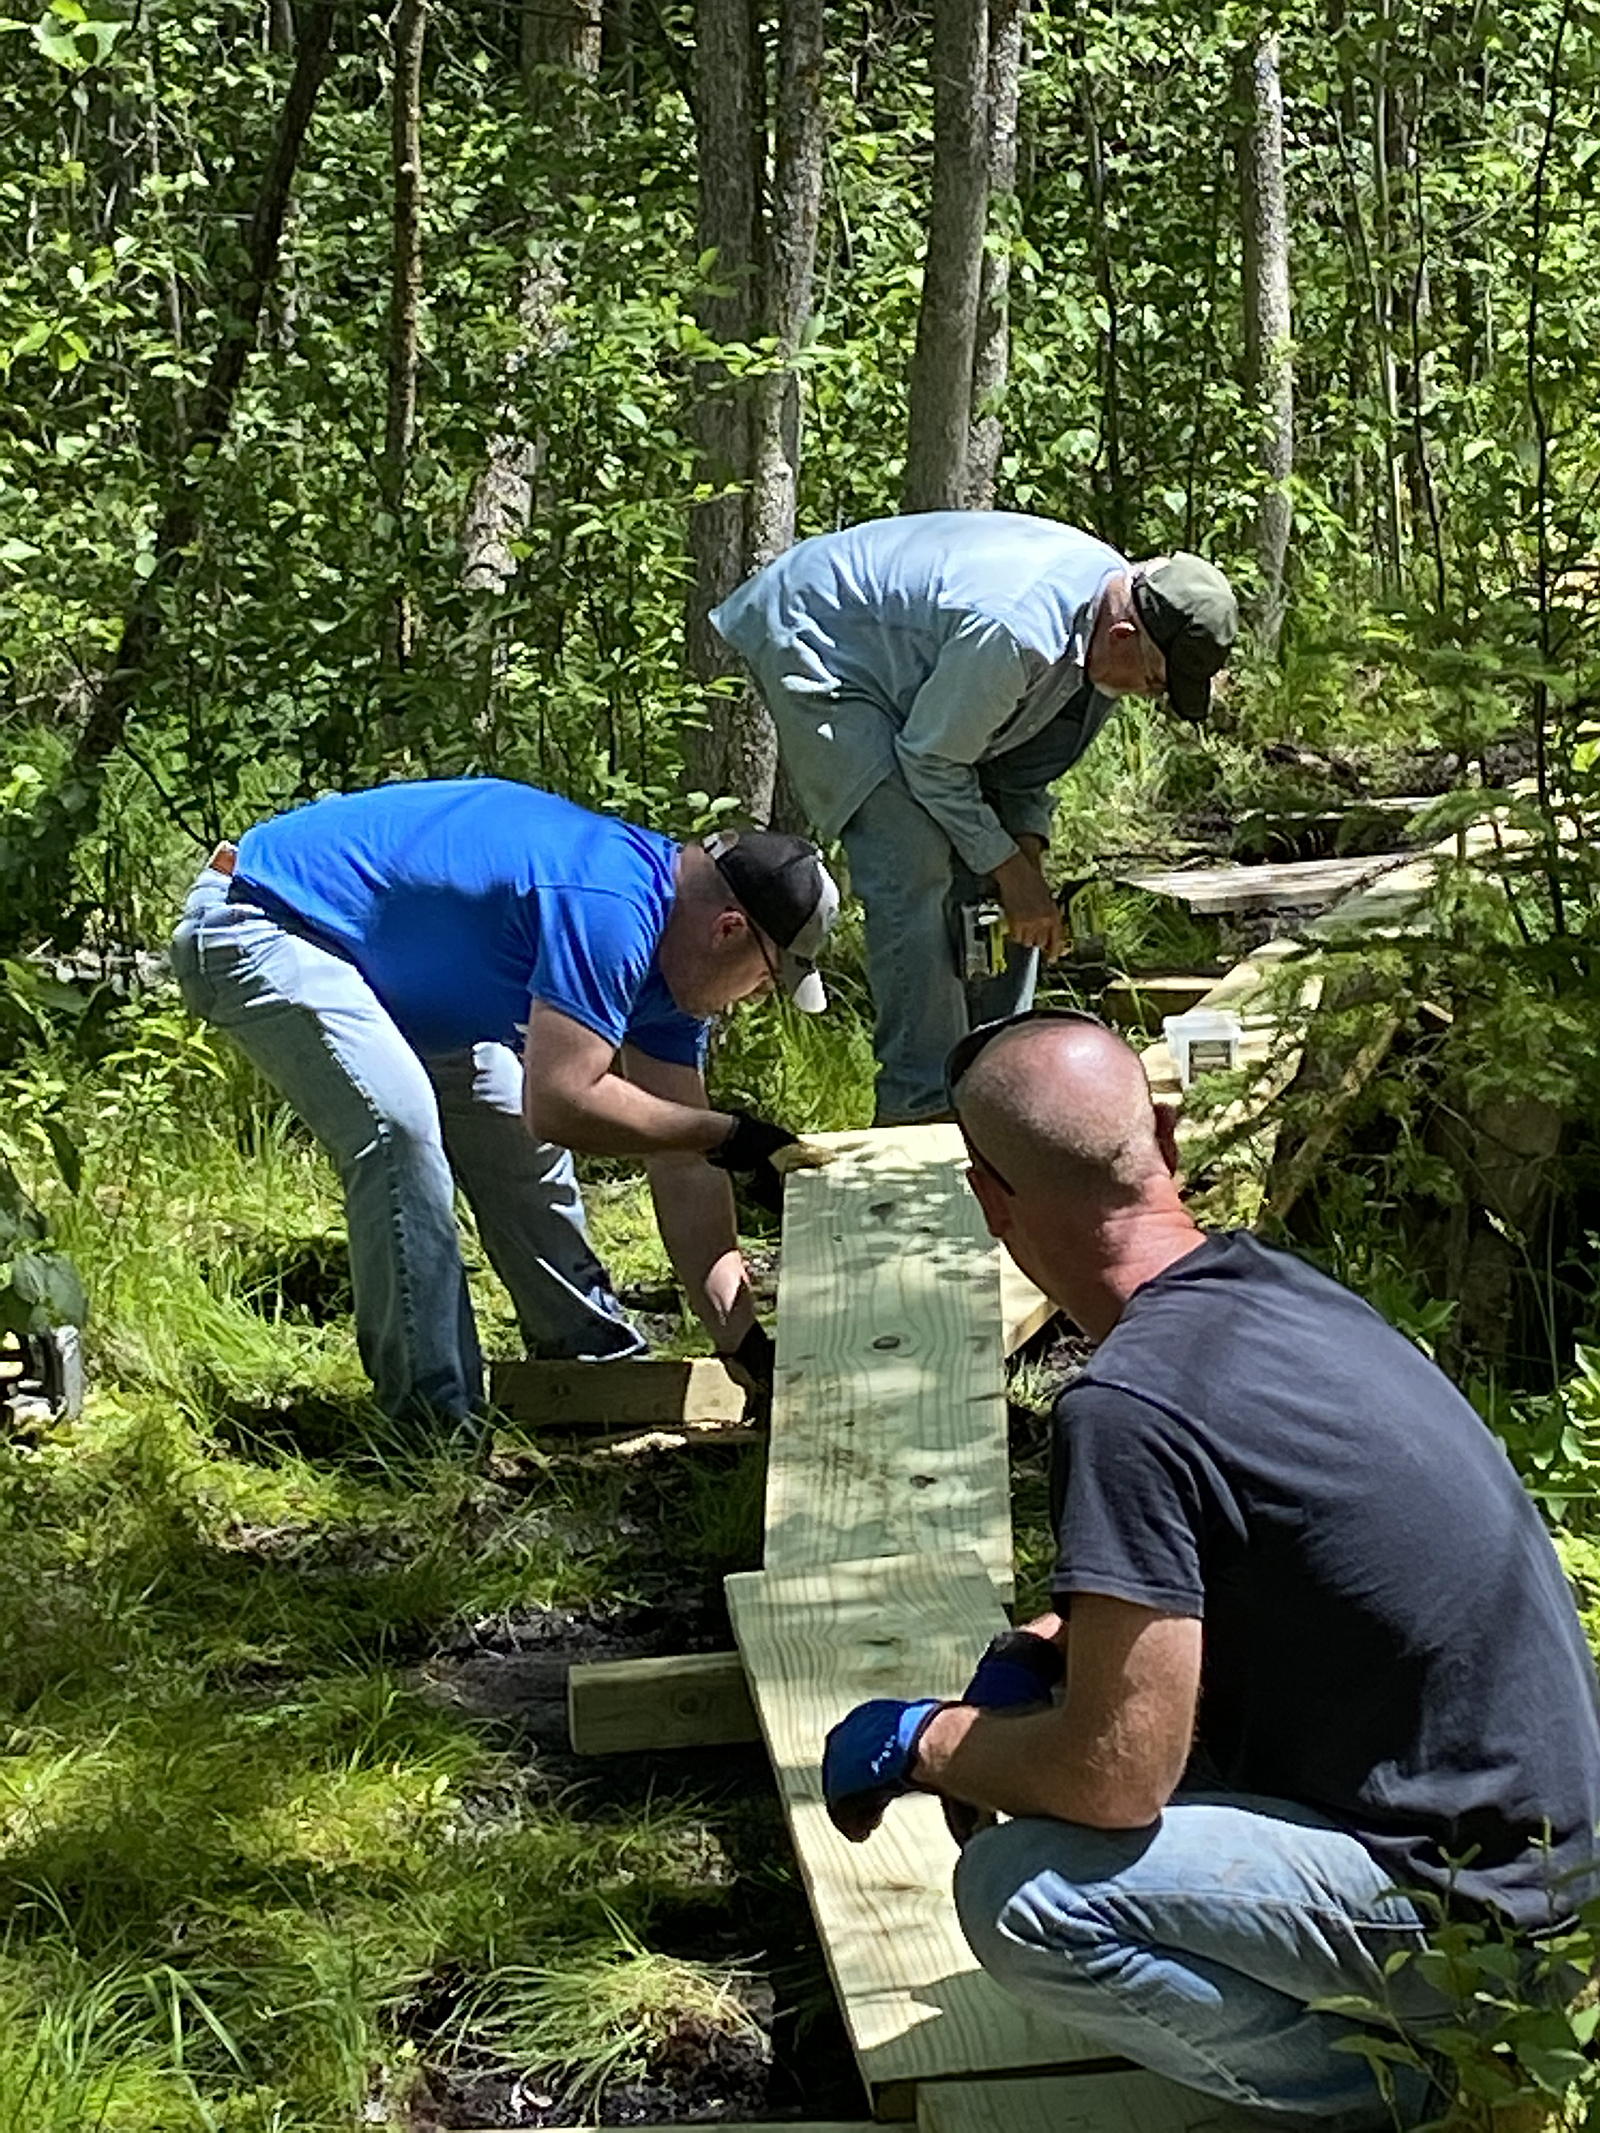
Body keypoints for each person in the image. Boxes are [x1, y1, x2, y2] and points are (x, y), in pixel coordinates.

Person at [821, 1012, 1600, 2128]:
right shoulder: (1281, 1296)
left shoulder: (1127, 1408)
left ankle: (1410, 2098)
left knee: (1026, 1896)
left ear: (988, 1202)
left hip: (1487, 1932)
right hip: (1554, 1866)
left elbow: (1114, 1776)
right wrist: (1053, 1648)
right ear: (1169, 1142)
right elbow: (1274, 1570)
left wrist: (926, 1742)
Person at [169, 779, 838, 1434]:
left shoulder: (671, 975)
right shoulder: (611, 905)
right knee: (399, 1128)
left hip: (391, 980)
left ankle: (591, 1370)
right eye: (766, 979)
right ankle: (430, 1425)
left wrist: (742, 1340)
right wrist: (727, 1133)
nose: (751, 999)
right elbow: (563, 1102)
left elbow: (686, 1165)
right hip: (263, 917)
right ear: (729, 929)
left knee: (519, 1148)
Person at [711, 513, 1237, 1125]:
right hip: (827, 638)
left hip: (926, 673)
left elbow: (1026, 767)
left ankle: (997, 1079)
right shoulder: (1017, 631)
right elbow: (931, 761)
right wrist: (1011, 872)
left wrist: (1024, 864)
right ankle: (921, 1107)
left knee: (997, 880)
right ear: (1123, 635)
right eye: (1151, 682)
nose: (1149, 696)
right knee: (913, 860)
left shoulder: (1102, 633)